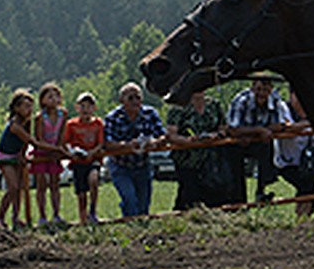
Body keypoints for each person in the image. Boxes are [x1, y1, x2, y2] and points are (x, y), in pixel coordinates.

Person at [103, 82, 166, 218]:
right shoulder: (113, 117)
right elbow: (107, 143)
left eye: (138, 97)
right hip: (121, 166)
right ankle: (131, 228)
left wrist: (153, 143)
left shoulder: (150, 113)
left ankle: (141, 231)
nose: (135, 101)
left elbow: (163, 135)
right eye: (131, 98)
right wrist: (127, 146)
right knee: (130, 199)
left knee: (143, 207)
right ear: (122, 100)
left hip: (143, 165)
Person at [226, 74, 293, 202]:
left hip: (258, 141)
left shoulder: (275, 100)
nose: (261, 94)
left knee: (268, 148)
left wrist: (252, 133)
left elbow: (279, 124)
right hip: (237, 144)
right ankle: (238, 201)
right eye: (258, 89)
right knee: (235, 169)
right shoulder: (241, 100)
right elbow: (233, 128)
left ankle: (262, 190)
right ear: (252, 88)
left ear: (271, 90)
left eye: (266, 90)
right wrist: (260, 130)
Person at [165, 88, 230, 211]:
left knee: (215, 193)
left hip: (211, 159)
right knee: (188, 196)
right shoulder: (178, 108)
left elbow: (224, 127)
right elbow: (171, 135)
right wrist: (189, 141)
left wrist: (216, 136)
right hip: (187, 159)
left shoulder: (214, 105)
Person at [274, 90, 314, 218]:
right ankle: (304, 216)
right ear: (291, 95)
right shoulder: (283, 107)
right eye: (298, 97)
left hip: (309, 162)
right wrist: (311, 123)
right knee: (306, 187)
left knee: (308, 187)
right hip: (288, 162)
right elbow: (288, 126)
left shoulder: (311, 109)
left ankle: (303, 218)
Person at [0, 90, 36, 230]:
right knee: (13, 187)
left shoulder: (28, 122)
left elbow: (25, 143)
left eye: (31, 106)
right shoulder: (15, 125)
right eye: (26, 107)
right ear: (17, 108)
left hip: (16, 155)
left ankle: (16, 217)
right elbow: (30, 140)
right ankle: (0, 217)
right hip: (5, 157)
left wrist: (22, 154)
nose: (29, 110)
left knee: (20, 189)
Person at [62, 92, 105, 224]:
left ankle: (93, 210)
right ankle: (83, 218)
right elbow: (66, 142)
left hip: (93, 159)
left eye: (89, 106)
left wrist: (93, 152)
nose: (85, 109)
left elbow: (101, 143)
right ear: (77, 108)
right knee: (81, 193)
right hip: (78, 161)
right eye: (82, 106)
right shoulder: (71, 124)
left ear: (94, 108)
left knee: (93, 179)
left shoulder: (98, 123)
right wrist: (73, 151)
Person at [30, 82, 69, 226]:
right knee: (41, 184)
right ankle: (42, 216)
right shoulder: (40, 117)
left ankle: (57, 214)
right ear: (42, 100)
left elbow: (61, 134)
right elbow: (38, 138)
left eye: (56, 96)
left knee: (55, 183)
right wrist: (53, 149)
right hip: (42, 152)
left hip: (55, 152)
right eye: (50, 96)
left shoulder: (63, 114)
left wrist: (59, 149)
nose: (54, 99)